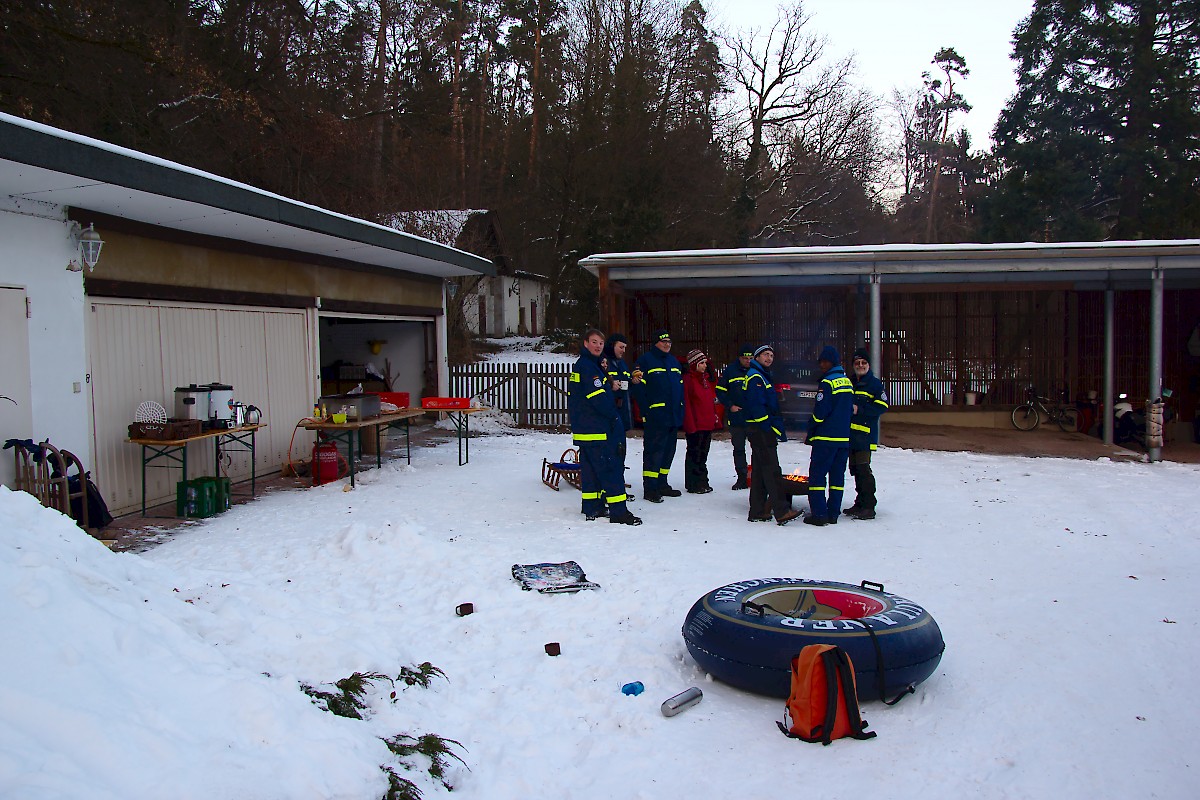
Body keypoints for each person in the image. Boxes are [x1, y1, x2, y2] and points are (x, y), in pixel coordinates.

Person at [568, 328, 642, 525]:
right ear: (585, 343)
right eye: (594, 342)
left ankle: (592, 507)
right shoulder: (589, 368)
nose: (598, 346)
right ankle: (619, 512)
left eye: (600, 343)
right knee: (611, 469)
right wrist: (614, 417)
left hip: (585, 430)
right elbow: (598, 399)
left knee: (591, 471)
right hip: (598, 429)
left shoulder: (588, 366)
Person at [742, 345, 802, 525]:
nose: (769, 358)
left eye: (771, 355)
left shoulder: (761, 375)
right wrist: (767, 427)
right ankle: (782, 511)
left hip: (759, 429)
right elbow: (757, 406)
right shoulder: (756, 377)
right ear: (757, 357)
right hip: (760, 430)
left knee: (760, 471)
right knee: (772, 470)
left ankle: (758, 511)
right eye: (765, 355)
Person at [633, 328, 684, 503]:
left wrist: (680, 409)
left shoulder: (674, 362)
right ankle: (650, 488)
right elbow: (639, 389)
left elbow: (680, 388)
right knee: (654, 452)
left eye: (669, 342)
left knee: (669, 451)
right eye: (663, 341)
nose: (667, 344)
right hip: (656, 416)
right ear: (655, 343)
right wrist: (646, 412)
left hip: (672, 416)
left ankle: (662, 483)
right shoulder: (645, 361)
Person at [804, 345, 853, 526]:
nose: (821, 365)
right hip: (843, 439)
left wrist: (812, 426)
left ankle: (819, 514)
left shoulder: (827, 383)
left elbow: (821, 411)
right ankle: (833, 513)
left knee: (817, 476)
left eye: (822, 362)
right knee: (837, 478)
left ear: (829, 362)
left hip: (825, 438)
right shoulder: (847, 382)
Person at [844, 348, 889, 520]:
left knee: (863, 469)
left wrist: (860, 409)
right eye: (857, 363)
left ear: (868, 365)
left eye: (863, 363)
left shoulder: (875, 385)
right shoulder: (850, 382)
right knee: (855, 470)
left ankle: (869, 505)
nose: (860, 366)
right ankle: (860, 502)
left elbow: (882, 406)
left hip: (865, 435)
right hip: (851, 436)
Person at [717, 344, 754, 490]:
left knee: (757, 449)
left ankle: (756, 478)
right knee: (738, 449)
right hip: (737, 418)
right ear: (739, 358)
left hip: (754, 419)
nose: (748, 361)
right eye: (745, 358)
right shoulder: (730, 371)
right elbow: (720, 391)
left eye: (751, 358)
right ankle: (741, 478)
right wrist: (730, 405)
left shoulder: (757, 371)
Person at [682, 349, 719, 494]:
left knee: (703, 454)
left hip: (706, 424)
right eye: (701, 363)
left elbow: (709, 401)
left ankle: (703, 481)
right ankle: (693, 483)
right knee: (694, 454)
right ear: (694, 364)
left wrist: (714, 417)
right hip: (695, 425)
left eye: (705, 363)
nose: (704, 366)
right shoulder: (689, 380)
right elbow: (687, 403)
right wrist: (690, 425)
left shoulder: (705, 380)